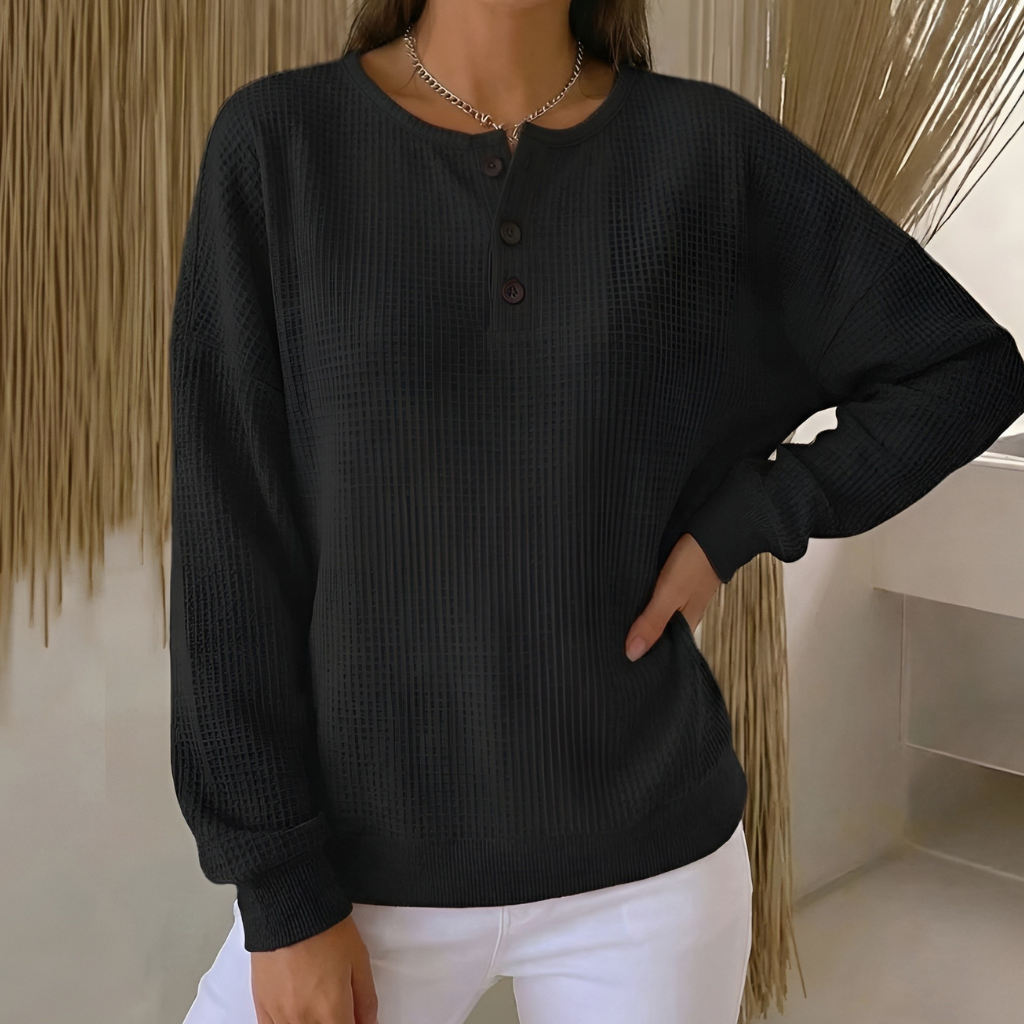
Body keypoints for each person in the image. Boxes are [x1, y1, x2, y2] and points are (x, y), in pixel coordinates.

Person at [168, 0, 1024, 1021]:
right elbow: (229, 553)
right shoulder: (280, 147)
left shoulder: (703, 152)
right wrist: (281, 893)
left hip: (648, 876)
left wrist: (742, 521)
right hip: (356, 879)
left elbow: (961, 370)